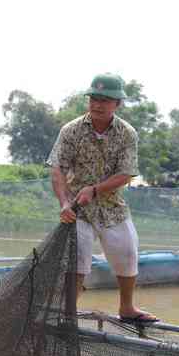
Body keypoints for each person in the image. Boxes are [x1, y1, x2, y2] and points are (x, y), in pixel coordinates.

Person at [47, 73, 158, 323]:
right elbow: (57, 169)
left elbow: (126, 173)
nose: (97, 104)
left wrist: (95, 189)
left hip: (112, 206)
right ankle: (69, 313)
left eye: (105, 100)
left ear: (117, 104)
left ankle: (127, 308)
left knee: (127, 252)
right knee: (77, 260)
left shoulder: (127, 133)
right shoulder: (71, 130)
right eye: (93, 99)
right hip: (79, 209)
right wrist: (64, 202)